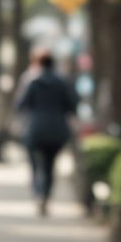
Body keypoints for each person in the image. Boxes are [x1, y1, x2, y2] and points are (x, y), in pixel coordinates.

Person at [13, 48, 78, 215]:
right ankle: (46, 195)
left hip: (35, 129)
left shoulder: (33, 82)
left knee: (35, 164)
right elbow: (72, 105)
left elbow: (20, 105)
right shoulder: (62, 82)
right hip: (57, 130)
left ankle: (38, 192)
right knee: (50, 165)